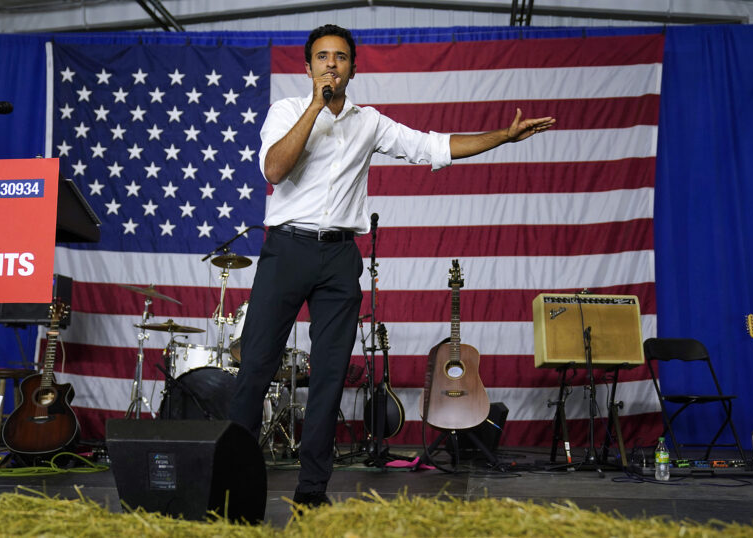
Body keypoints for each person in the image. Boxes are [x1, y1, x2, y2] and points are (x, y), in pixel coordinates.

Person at [229, 24, 555, 508]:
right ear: (308, 67)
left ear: (353, 69)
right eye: (322, 57)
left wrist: (502, 139)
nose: (331, 64)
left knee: (330, 376)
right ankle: (235, 486)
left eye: (340, 57)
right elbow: (275, 170)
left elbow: (434, 147)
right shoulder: (288, 111)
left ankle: (312, 492)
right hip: (288, 249)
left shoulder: (370, 122)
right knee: (254, 368)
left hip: (340, 256)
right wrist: (317, 107)